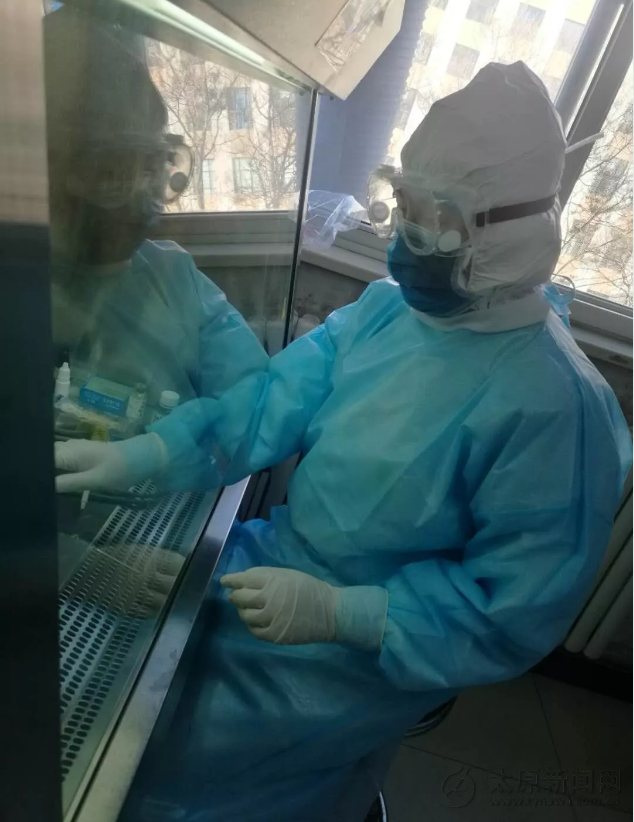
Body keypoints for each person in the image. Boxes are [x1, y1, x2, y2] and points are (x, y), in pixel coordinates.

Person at [56, 63, 632, 822]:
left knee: (172, 771)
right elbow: (270, 399)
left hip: (361, 659)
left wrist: (345, 614)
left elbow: (511, 612)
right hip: (274, 567)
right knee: (126, 700)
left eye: (432, 217)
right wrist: (148, 453)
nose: (404, 237)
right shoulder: (387, 313)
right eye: (403, 204)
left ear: (509, 231)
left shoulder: (559, 408)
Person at [46, 7, 267, 420]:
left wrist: (164, 448)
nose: (144, 194)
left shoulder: (172, 276)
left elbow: (254, 401)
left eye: (152, 165)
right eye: (113, 172)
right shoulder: (21, 288)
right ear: (55, 172)